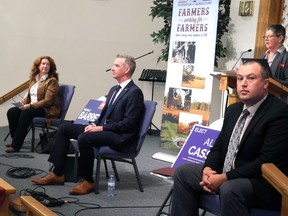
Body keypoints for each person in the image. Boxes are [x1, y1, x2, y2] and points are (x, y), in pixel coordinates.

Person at [170, 60, 288, 216]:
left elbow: (265, 163)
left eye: (251, 78)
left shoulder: (279, 113)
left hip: (263, 182)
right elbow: (218, 147)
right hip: (228, 172)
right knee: (184, 172)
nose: (243, 84)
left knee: (230, 188)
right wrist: (208, 170)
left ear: (265, 83)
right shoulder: (233, 110)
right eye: (240, 78)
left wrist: (224, 178)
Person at [32, 54, 144, 195]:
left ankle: (88, 181)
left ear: (127, 70)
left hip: (120, 136)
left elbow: (129, 124)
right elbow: (104, 115)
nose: (112, 68)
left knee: (85, 138)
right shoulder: (114, 89)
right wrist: (94, 124)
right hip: (107, 131)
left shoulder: (135, 93)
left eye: (116, 65)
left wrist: (101, 128)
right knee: (65, 128)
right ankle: (57, 173)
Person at [6, 56, 60, 153]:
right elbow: (30, 94)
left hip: (46, 109)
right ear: (38, 66)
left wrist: (30, 106)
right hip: (32, 107)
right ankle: (16, 140)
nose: (45, 66)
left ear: (51, 67)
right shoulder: (34, 79)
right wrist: (24, 102)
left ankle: (16, 145)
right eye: (43, 63)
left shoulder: (52, 81)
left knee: (26, 113)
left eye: (48, 64)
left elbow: (48, 101)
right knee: (12, 112)